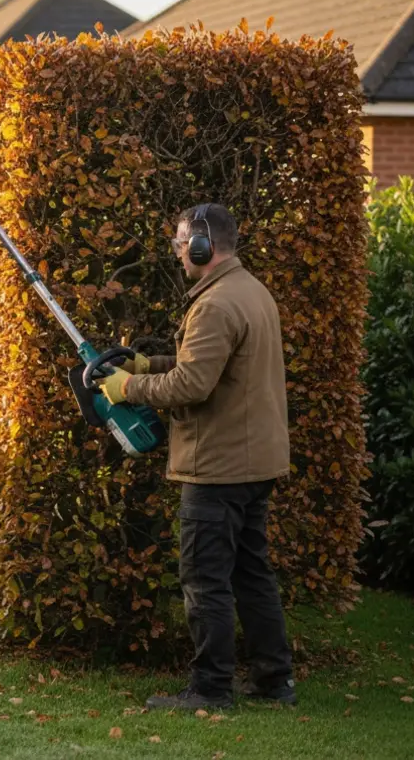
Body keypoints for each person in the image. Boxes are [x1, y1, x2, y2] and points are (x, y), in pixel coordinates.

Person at [95, 203, 296, 711]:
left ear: (204, 246)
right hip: (253, 462)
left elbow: (193, 384)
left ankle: (209, 690)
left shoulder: (214, 304)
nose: (178, 253)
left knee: (204, 580)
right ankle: (275, 682)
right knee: (251, 576)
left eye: (182, 243)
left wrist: (128, 386)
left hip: (218, 466)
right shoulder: (248, 290)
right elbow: (209, 364)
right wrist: (147, 362)